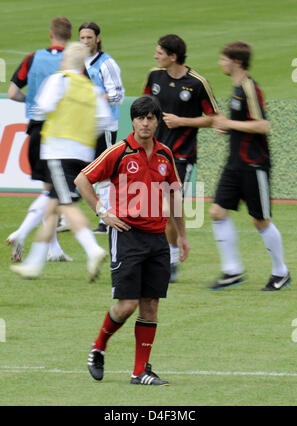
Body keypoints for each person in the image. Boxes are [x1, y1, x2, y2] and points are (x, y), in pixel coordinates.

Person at [74, 95, 190, 386]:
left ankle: (140, 371)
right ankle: (98, 346)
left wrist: (183, 236)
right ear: (133, 121)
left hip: (157, 239)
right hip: (127, 236)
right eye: (140, 118)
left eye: (150, 118)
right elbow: (82, 180)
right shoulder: (119, 152)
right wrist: (103, 212)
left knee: (150, 304)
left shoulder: (165, 155)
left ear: (156, 121)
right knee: (126, 305)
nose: (145, 123)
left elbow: (175, 194)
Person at [10, 42, 113, 282]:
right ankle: (34, 264)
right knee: (52, 206)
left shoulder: (59, 80)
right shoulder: (91, 89)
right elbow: (104, 121)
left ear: (66, 60)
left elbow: (42, 108)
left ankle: (92, 249)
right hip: (82, 154)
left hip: (57, 150)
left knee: (65, 205)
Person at [210, 41, 290, 291]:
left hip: (254, 165)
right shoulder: (236, 88)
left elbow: (262, 125)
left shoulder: (249, 88)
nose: (220, 63)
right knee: (217, 212)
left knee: (260, 221)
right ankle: (232, 270)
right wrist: (227, 127)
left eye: (223, 59)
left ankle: (281, 272)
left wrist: (230, 124)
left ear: (236, 62)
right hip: (234, 164)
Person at [143, 34, 218, 282]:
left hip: (181, 156)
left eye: (159, 52)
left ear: (173, 56)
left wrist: (181, 121)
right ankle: (160, 255)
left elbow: (213, 117)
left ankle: (172, 257)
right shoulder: (155, 77)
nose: (155, 56)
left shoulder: (197, 83)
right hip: (152, 152)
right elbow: (144, 107)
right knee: (154, 208)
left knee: (166, 206)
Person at [6, 16, 72, 262]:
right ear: (70, 35)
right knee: (55, 191)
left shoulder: (32, 58)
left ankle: (53, 250)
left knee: (50, 189)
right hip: (60, 131)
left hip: (35, 130)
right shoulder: (72, 61)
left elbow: (13, 92)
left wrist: (32, 101)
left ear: (50, 33)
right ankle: (22, 233)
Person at [57, 21, 125, 236]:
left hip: (104, 126)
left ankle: (106, 220)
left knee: (104, 174)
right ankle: (67, 216)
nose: (85, 41)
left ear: (98, 39)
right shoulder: (78, 63)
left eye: (89, 38)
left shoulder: (106, 64)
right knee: (73, 168)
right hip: (81, 126)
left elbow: (118, 96)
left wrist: (94, 97)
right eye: (82, 38)